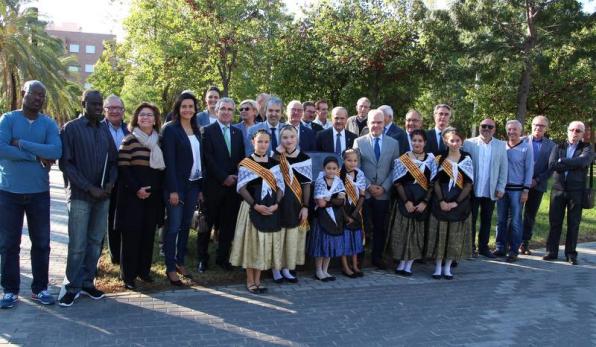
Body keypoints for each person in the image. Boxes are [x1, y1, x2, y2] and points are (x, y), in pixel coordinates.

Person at [0, 81, 61, 309]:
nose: (38, 98)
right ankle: (10, 291)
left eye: (42, 95)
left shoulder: (48, 123)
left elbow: (55, 151)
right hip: (8, 193)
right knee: (8, 245)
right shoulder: (8, 119)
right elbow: (0, 148)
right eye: (34, 94)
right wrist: (35, 156)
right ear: (24, 94)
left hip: (39, 193)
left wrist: (22, 144)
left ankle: (40, 289)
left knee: (42, 243)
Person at [59, 89, 118, 307]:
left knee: (95, 242)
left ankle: (87, 282)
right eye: (93, 104)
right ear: (83, 104)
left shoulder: (104, 130)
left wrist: (111, 182)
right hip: (80, 196)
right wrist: (88, 187)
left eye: (99, 104)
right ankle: (72, 287)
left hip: (103, 196)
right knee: (78, 244)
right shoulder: (70, 129)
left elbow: (113, 161)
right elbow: (66, 164)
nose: (97, 107)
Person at [116, 103, 165, 290]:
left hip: (153, 196)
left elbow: (162, 169)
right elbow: (123, 167)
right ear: (136, 118)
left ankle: (143, 271)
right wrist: (137, 189)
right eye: (142, 115)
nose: (145, 118)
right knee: (131, 236)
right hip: (132, 196)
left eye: (149, 115)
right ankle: (128, 276)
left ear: (155, 119)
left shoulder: (160, 141)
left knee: (147, 235)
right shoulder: (129, 140)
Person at [230, 130, 284, 293]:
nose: (263, 145)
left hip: (269, 207)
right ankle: (250, 280)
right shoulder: (247, 162)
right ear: (253, 142)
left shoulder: (275, 163)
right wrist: (255, 205)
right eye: (260, 141)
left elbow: (280, 187)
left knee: (263, 243)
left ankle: (259, 280)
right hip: (251, 207)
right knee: (251, 244)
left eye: (266, 142)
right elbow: (241, 188)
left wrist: (276, 204)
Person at [161, 92, 203, 285]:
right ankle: (170, 267)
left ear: (195, 109)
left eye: (191, 106)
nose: (187, 109)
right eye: (184, 106)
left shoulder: (197, 129)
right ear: (178, 108)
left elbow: (200, 160)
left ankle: (180, 261)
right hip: (177, 186)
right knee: (174, 227)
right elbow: (169, 162)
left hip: (194, 184)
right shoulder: (170, 129)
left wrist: (201, 187)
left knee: (186, 225)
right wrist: (173, 190)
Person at [200, 97, 245, 272]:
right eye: (223, 109)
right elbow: (207, 158)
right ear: (216, 110)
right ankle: (203, 258)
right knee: (206, 225)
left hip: (232, 187)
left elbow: (241, 158)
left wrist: (234, 176)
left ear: (233, 112)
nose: (226, 112)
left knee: (228, 225)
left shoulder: (237, 133)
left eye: (229, 109)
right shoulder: (207, 131)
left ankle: (222, 258)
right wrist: (223, 177)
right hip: (213, 186)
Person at [352, 109, 400, 269]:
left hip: (383, 194)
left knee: (380, 227)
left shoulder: (393, 143)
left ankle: (377, 257)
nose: (376, 125)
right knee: (363, 226)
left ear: (384, 123)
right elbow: (355, 168)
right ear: (368, 123)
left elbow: (395, 168)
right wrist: (368, 186)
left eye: (379, 122)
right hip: (365, 193)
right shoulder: (359, 142)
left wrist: (384, 187)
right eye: (373, 122)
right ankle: (359, 258)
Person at [426, 128, 474, 279]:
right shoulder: (439, 158)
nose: (454, 143)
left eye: (457, 140)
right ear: (446, 141)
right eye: (451, 140)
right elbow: (435, 182)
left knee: (453, 236)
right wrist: (441, 201)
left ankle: (447, 267)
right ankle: (438, 267)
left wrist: (455, 202)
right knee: (440, 235)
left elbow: (468, 184)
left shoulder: (466, 158)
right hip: (441, 201)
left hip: (459, 202)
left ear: (462, 142)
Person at [543, 121, 593, 265]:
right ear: (567, 131)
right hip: (558, 190)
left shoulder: (587, 147)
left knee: (574, 223)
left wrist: (563, 161)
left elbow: (583, 162)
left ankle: (571, 254)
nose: (574, 133)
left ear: (582, 134)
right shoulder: (558, 146)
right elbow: (552, 165)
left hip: (576, 191)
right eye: (572, 130)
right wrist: (573, 164)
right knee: (555, 222)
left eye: (578, 131)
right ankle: (551, 251)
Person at [389, 129, 436, 276]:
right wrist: (407, 201)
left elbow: (433, 184)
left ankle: (409, 264)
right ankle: (402, 261)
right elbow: (397, 183)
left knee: (417, 234)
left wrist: (425, 202)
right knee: (403, 233)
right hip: (405, 200)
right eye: (414, 140)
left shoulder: (431, 160)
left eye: (420, 141)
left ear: (425, 143)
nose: (417, 143)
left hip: (421, 201)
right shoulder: (403, 159)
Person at [272, 126, 312, 283]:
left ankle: (287, 268)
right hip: (278, 201)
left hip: (295, 202)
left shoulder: (304, 158)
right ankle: (275, 269)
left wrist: (305, 206)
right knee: (277, 236)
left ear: (297, 138)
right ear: (280, 140)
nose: (288, 140)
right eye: (285, 137)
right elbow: (269, 171)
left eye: (292, 137)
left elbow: (306, 184)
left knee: (290, 237)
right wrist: (277, 152)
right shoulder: (275, 156)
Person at [463, 118, 508, 258]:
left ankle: (483, 247)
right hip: (473, 189)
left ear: (494, 129)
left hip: (491, 189)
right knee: (471, 219)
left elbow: (503, 168)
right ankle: (470, 247)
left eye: (490, 127)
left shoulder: (501, 145)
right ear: (479, 127)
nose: (486, 129)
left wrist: (501, 187)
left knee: (487, 219)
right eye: (484, 126)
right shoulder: (468, 143)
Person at [494, 120, 533, 262]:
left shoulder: (526, 147)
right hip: (502, 190)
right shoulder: (501, 147)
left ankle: (514, 249)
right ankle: (500, 247)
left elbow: (529, 169)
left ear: (520, 131)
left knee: (516, 220)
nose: (512, 132)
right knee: (501, 220)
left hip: (517, 190)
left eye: (515, 129)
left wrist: (526, 190)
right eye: (509, 129)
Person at [520, 115, 555, 254]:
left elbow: (551, 168)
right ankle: (511, 242)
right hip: (520, 184)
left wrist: (537, 180)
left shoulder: (551, 146)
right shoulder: (522, 141)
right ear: (531, 125)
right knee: (515, 214)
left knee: (530, 215)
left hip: (537, 185)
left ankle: (524, 243)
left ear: (546, 128)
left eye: (541, 126)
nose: (538, 128)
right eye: (535, 124)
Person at [308, 156, 346, 281]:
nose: (331, 171)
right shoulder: (320, 182)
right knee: (321, 244)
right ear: (324, 169)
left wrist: (330, 200)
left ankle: (325, 270)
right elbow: (321, 204)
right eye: (328, 168)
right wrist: (334, 201)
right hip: (321, 217)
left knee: (330, 244)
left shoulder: (339, 182)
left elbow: (342, 201)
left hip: (334, 217)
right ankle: (318, 271)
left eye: (334, 168)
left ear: (338, 169)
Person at [102, 94, 129, 265]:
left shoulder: (130, 129)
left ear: (123, 111)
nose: (114, 111)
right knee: (103, 219)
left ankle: (118, 256)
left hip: (125, 182)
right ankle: (99, 258)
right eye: (110, 108)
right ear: (105, 110)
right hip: (104, 182)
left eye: (117, 108)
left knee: (118, 219)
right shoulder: (98, 128)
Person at [339, 149, 366, 278]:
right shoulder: (339, 174)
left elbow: (362, 195)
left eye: (355, 160)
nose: (352, 163)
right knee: (344, 239)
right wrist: (346, 216)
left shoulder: (359, 174)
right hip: (343, 210)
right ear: (343, 160)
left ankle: (355, 265)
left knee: (355, 239)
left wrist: (355, 213)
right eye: (349, 160)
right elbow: (338, 198)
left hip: (356, 210)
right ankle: (345, 266)